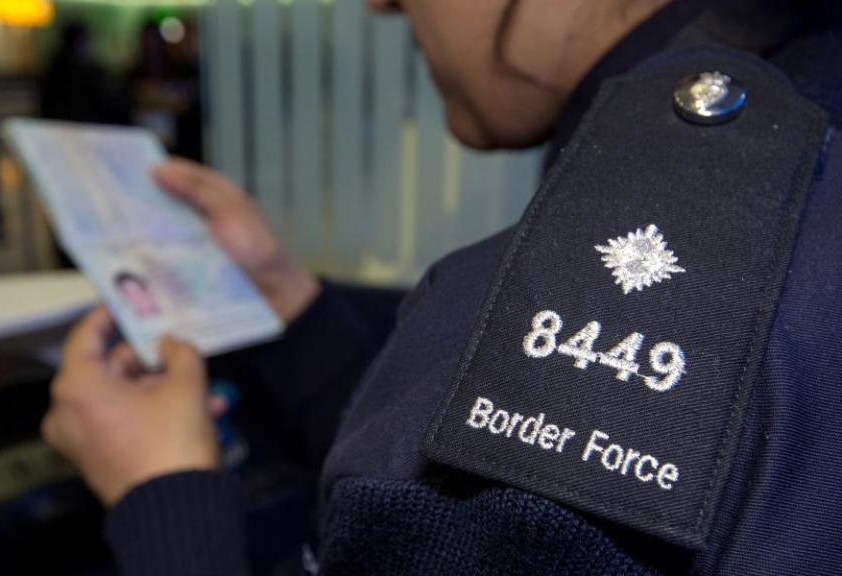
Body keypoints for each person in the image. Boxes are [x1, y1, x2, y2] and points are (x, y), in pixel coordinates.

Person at [42, 0, 842, 574]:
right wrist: (286, 298)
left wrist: (162, 495)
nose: (384, 6)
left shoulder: (676, 209)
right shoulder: (799, 121)